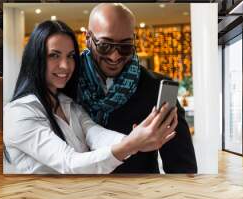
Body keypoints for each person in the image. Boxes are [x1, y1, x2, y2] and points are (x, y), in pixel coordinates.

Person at [3, 20, 178, 174]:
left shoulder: (68, 103)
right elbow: (69, 163)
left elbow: (94, 134)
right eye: (54, 55)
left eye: (70, 56)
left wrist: (137, 140)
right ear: (36, 58)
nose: (65, 66)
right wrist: (131, 145)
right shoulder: (19, 112)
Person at [77, 3, 198, 173]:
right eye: (105, 45)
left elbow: (182, 166)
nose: (114, 56)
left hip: (139, 196)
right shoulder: (68, 84)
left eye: (125, 46)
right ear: (87, 37)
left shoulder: (157, 87)